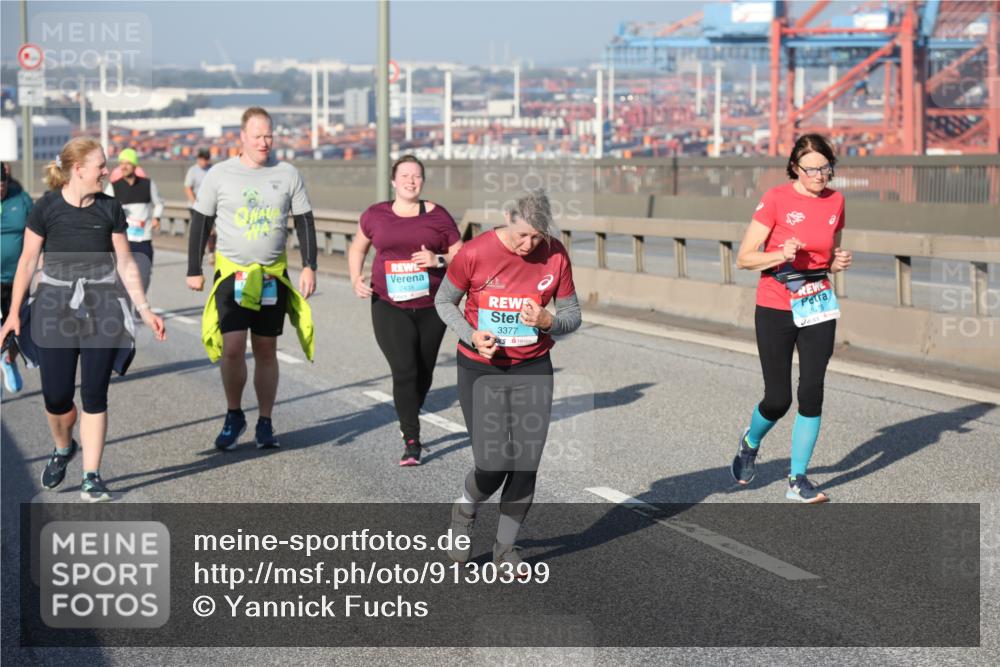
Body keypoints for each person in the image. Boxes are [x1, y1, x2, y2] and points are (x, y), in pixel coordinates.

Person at [0, 137, 166, 502]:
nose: (107, 172)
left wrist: (144, 309)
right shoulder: (46, 208)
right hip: (54, 308)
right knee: (57, 398)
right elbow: (28, 262)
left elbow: (124, 262)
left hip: (102, 307)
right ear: (78, 170)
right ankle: (63, 448)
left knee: (94, 394)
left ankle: (92, 475)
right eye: (101, 167)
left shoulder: (110, 209)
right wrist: (13, 314)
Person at [435, 189, 581, 569]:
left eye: (536, 236)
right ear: (506, 218)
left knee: (525, 463)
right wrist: (471, 335)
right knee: (494, 462)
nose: (528, 244)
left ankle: (505, 549)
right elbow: (442, 301)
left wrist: (551, 322)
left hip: (532, 366)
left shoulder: (555, 254)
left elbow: (571, 314)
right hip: (481, 369)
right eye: (522, 235)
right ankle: (464, 511)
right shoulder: (475, 253)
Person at [731, 133, 853, 503]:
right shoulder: (776, 199)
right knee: (778, 398)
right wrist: (779, 254)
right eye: (811, 169)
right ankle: (750, 442)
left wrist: (836, 263)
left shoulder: (837, 200)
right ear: (795, 169)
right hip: (775, 304)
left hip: (817, 302)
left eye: (825, 168)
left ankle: (797, 479)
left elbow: (827, 251)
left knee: (811, 392)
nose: (819, 175)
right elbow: (745, 257)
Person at [186, 107, 317, 451]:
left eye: (269, 135)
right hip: (232, 273)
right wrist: (193, 268)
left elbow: (304, 220)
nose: (264, 142)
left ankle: (265, 421)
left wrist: (309, 265)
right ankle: (234, 414)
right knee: (232, 349)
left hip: (272, 275)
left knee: (265, 348)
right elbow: (200, 221)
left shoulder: (287, 173)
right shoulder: (219, 174)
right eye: (257, 136)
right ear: (242, 137)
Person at [349, 155, 462, 466]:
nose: (411, 181)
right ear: (393, 181)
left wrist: (436, 260)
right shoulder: (376, 215)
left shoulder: (438, 216)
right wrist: (355, 278)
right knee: (405, 370)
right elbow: (358, 247)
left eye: (416, 176)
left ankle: (408, 413)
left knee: (424, 372)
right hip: (389, 304)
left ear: (422, 181)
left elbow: (461, 255)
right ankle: (411, 439)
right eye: (405, 175)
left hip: (433, 305)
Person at [107, 148, 164, 295]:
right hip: (123, 239)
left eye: (127, 163)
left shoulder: (148, 184)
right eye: (121, 163)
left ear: (134, 165)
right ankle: (126, 311)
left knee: (144, 276)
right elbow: (105, 207)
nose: (124, 166)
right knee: (122, 278)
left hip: (143, 238)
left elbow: (159, 203)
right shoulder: (114, 186)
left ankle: (139, 305)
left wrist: (156, 217)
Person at [1, 162, 33, 393]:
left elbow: (39, 232)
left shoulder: (21, 200)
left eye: (1, 185)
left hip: (16, 278)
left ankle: (9, 360)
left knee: (17, 328)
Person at [185, 148, 215, 262]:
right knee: (200, 230)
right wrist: (195, 203)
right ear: (198, 159)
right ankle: (198, 253)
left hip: (210, 205)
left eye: (206, 160)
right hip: (196, 206)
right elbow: (187, 188)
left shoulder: (212, 169)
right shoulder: (193, 171)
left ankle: (211, 252)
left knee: (212, 230)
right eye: (202, 160)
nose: (204, 162)